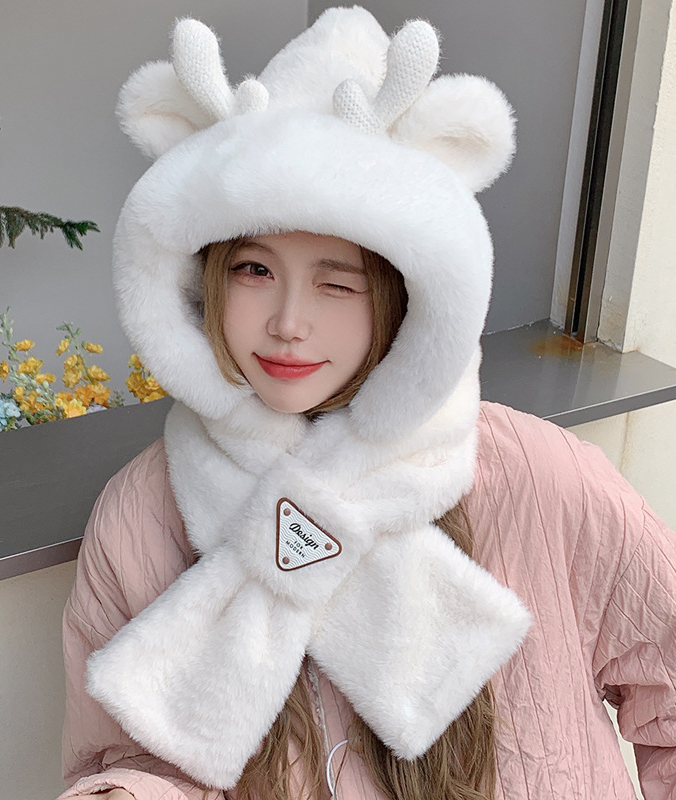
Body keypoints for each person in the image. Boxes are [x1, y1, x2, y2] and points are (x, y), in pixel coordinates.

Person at [58, 9, 676, 800]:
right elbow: (126, 758)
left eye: (338, 282)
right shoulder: (145, 514)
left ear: (405, 296)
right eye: (254, 270)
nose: (288, 321)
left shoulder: (539, 479)